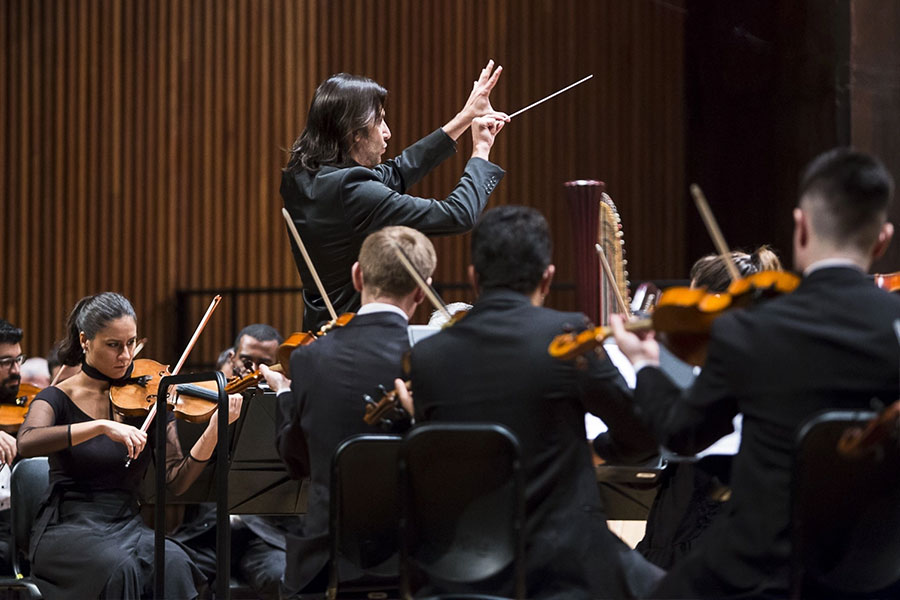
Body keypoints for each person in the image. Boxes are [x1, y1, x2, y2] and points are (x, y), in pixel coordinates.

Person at [610, 147, 900, 598]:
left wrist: (646, 365)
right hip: (880, 572)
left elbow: (684, 434)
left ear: (801, 227)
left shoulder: (751, 329)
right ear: (881, 239)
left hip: (763, 574)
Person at [397, 206, 663, 599]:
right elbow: (642, 438)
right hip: (561, 567)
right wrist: (599, 449)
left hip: (458, 571)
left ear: (474, 278)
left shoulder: (428, 358)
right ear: (548, 278)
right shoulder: (567, 337)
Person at [17, 292, 243, 599]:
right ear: (85, 341)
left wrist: (214, 432)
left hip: (126, 524)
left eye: (130, 343)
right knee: (121, 569)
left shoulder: (149, 398)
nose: (125, 356)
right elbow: (27, 442)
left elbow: (175, 481)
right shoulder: (57, 397)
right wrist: (99, 426)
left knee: (174, 563)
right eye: (113, 345)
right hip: (68, 527)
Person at [267, 225, 435, 598]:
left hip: (327, 562)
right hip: (416, 560)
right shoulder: (435, 360)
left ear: (358, 276)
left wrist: (284, 397)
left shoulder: (309, 358)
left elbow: (298, 464)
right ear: (421, 293)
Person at [282, 61, 508, 329]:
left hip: (318, 332)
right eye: (380, 122)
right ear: (354, 134)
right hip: (355, 339)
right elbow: (457, 215)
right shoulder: (352, 190)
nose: (388, 133)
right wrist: (481, 150)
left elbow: (397, 171)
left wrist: (465, 117)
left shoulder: (300, 176)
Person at [635, 246, 783, 569]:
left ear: (716, 303)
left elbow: (675, 438)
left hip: (699, 520)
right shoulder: (769, 355)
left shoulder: (714, 367)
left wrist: (648, 365)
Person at [174, 322, 294, 600]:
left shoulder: (287, 409)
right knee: (168, 568)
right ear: (232, 358)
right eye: (245, 360)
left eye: (263, 364)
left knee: (284, 576)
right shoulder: (205, 400)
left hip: (263, 537)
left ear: (277, 367)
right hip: (208, 533)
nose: (252, 370)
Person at [0, 318, 25, 574]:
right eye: (6, 362)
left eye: (18, 360)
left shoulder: (30, 409)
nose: (16, 370)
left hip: (20, 524)